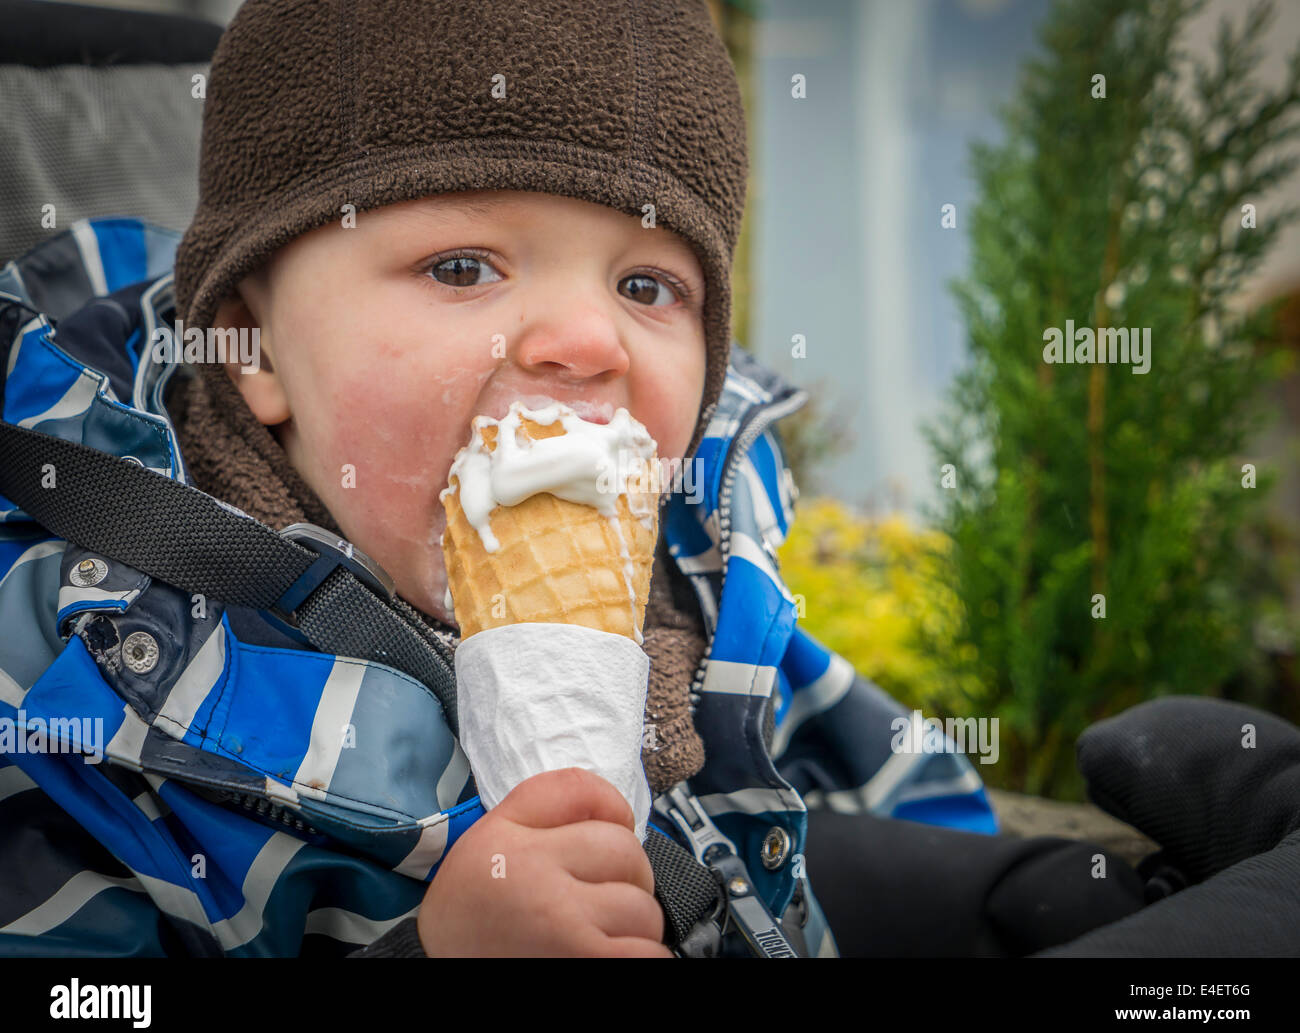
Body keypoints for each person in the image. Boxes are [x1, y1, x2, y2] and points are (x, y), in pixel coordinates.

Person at [3, 0, 1285, 959]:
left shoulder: (695, 567)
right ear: (258, 343)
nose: (588, 341)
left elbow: (839, 779)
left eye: (646, 285)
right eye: (463, 266)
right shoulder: (76, 657)